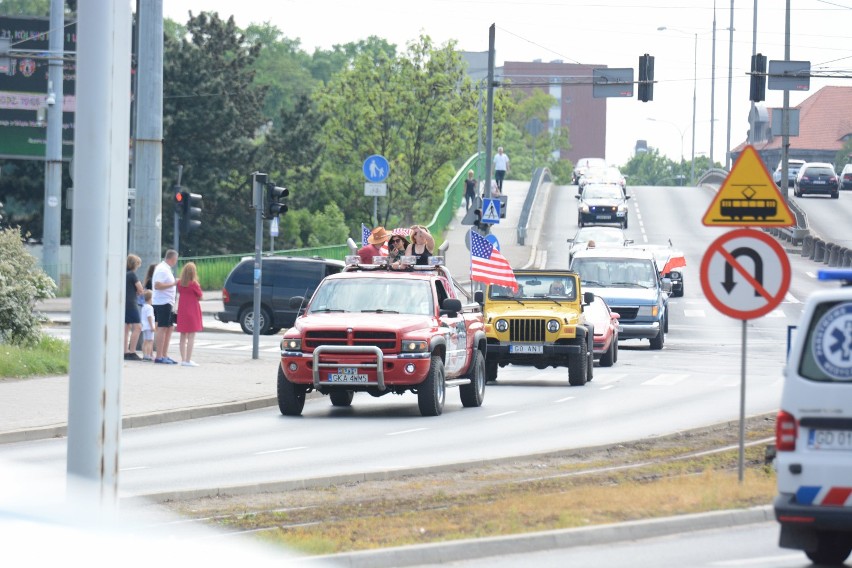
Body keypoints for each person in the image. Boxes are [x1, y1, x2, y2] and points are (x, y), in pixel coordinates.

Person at [152, 249, 179, 364]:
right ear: (172, 259)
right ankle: (159, 356)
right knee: (162, 328)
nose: (176, 262)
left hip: (167, 302)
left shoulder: (166, 269)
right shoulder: (162, 269)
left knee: (169, 328)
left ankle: (164, 354)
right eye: (175, 260)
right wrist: (173, 284)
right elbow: (157, 285)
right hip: (162, 302)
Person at [176, 261, 203, 367]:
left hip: (182, 310)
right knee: (191, 336)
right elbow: (200, 296)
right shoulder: (194, 284)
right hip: (192, 310)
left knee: (183, 336)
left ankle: (183, 359)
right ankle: (188, 360)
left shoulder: (180, 283)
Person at [124, 254, 144, 361]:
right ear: (134, 264)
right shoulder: (132, 274)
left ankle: (124, 352)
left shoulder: (123, 274)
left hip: (123, 304)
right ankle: (132, 351)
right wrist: (139, 290)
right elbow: (140, 289)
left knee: (125, 329)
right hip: (131, 303)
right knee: (137, 327)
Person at [140, 290, 156, 362]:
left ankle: (144, 355)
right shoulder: (150, 308)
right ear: (150, 298)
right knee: (150, 341)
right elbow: (149, 317)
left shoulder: (143, 307)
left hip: (144, 326)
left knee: (145, 341)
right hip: (149, 327)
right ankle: (148, 355)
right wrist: (152, 326)